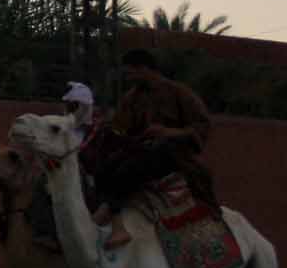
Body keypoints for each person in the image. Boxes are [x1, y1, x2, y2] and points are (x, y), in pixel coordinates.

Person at [84, 47, 214, 210]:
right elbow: (119, 127)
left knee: (130, 169)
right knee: (103, 169)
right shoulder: (131, 97)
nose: (128, 78)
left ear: (144, 68)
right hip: (138, 150)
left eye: (130, 73)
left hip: (173, 154)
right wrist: (106, 126)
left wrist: (168, 132)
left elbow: (202, 126)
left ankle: (111, 211)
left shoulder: (179, 93)